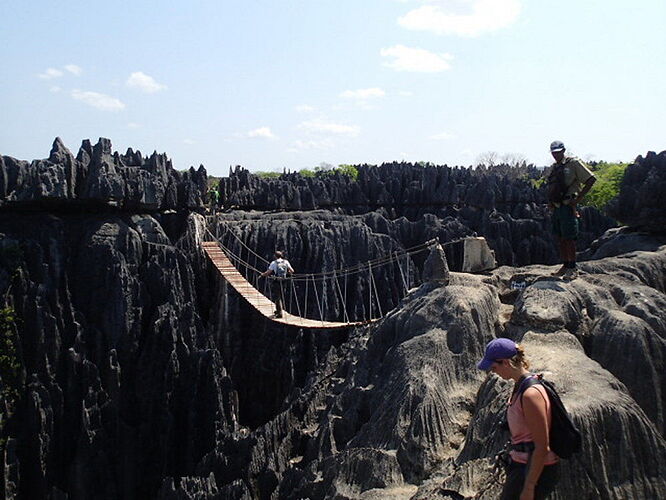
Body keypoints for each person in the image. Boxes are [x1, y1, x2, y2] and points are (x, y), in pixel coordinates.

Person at [478, 338, 560, 500]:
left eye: (494, 367)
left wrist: (529, 487)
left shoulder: (530, 394)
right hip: (522, 466)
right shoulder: (520, 386)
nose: (493, 372)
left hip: (533, 471)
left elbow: (542, 446)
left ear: (506, 362)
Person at [544, 140, 596, 278]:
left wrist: (578, 199)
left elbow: (591, 179)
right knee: (560, 237)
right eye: (553, 153)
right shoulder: (555, 167)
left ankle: (572, 268)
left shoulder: (573, 164)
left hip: (568, 206)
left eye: (558, 152)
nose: (555, 155)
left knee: (569, 238)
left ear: (563, 150)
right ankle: (565, 265)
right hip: (557, 207)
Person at [260, 251, 294, 318]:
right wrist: (287, 273)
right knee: (280, 296)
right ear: (281, 256)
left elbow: (268, 272)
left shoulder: (273, 263)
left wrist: (262, 274)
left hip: (277, 282)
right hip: (284, 281)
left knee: (277, 297)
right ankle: (278, 311)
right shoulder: (286, 262)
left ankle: (279, 313)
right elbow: (292, 271)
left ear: (275, 256)